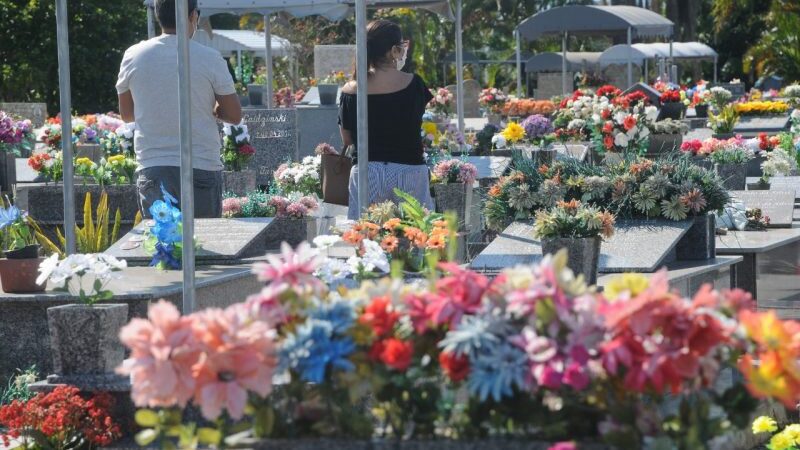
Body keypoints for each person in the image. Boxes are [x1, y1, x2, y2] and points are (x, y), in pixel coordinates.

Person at [116, 0, 241, 218]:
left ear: (158, 16)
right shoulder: (210, 57)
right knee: (205, 246)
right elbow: (234, 115)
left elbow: (127, 114)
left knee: (162, 246)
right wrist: (214, 109)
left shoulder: (133, 55)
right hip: (201, 163)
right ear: (193, 16)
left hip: (153, 164)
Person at [339, 19, 434, 220]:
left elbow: (347, 140)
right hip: (409, 170)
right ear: (394, 50)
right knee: (415, 237)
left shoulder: (350, 90)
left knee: (367, 238)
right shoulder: (414, 84)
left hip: (367, 171)